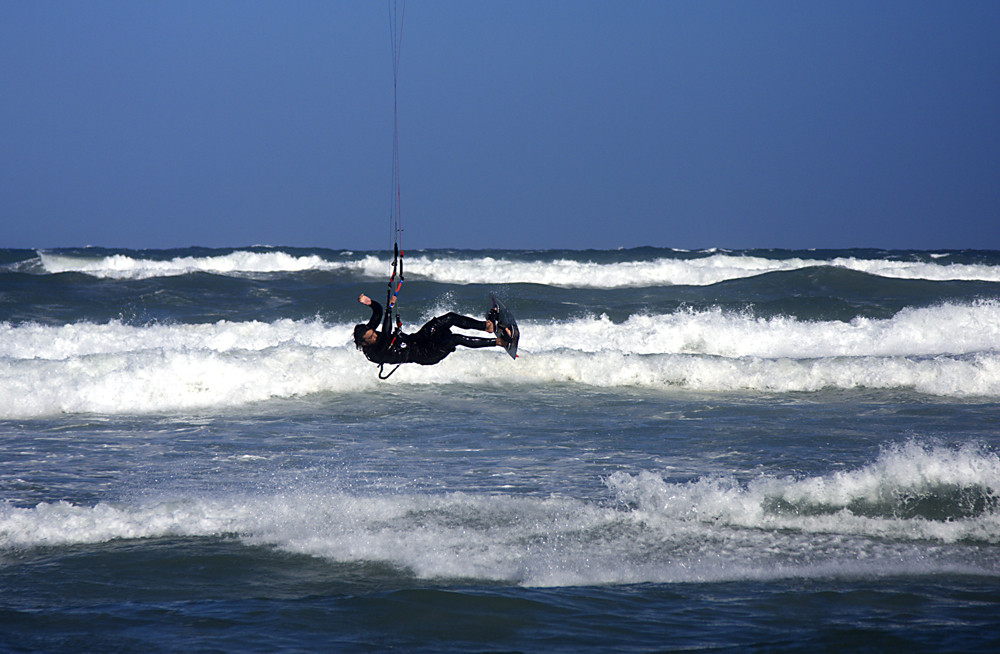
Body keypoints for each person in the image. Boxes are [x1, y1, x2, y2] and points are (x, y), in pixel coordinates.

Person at [353, 293, 507, 365]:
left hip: (417, 339)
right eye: (371, 338)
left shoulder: (368, 333)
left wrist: (370, 302)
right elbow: (386, 333)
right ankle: (499, 342)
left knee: (449, 318)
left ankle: (486, 326)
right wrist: (390, 308)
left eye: (373, 333)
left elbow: (378, 312)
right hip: (425, 354)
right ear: (365, 344)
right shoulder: (374, 353)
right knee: (455, 339)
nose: (375, 336)